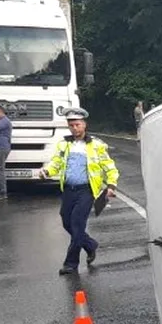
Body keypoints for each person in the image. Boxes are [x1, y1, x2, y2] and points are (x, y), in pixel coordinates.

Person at [38, 108, 120, 275]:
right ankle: (90, 245)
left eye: (77, 124)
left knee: (76, 224)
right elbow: (56, 163)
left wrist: (111, 186)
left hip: (86, 191)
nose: (74, 128)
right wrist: (46, 171)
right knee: (66, 222)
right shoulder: (64, 144)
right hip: (69, 189)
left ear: (84, 125)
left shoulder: (96, 145)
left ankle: (71, 263)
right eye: (71, 125)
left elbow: (110, 167)